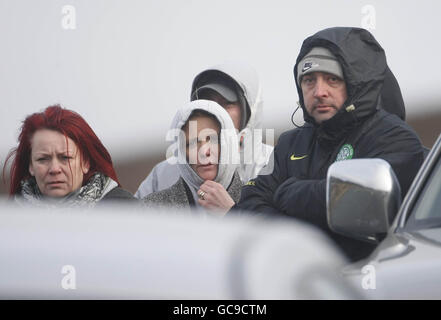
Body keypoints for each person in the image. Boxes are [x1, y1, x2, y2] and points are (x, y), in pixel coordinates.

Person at [238, 27, 425, 261]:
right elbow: (246, 209)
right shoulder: (289, 143)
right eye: (308, 81)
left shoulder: (393, 137)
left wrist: (290, 193)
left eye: (332, 80)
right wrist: (301, 240)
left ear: (355, 83)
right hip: (297, 279)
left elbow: (365, 208)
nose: (319, 92)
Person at [135, 62, 273, 199]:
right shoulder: (163, 175)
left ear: (250, 110)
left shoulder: (274, 164)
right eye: (209, 103)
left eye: (227, 103)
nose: (216, 111)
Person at [4, 105, 136, 207]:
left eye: (65, 157)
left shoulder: (124, 211)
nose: (55, 169)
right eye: (43, 159)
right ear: (30, 166)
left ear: (85, 163)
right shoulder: (10, 221)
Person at [143, 100, 242, 216]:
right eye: (192, 144)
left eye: (213, 140)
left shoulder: (260, 199)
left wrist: (231, 212)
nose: (204, 152)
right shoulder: (152, 210)